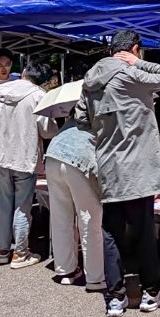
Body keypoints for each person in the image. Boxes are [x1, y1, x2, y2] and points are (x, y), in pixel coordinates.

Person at [76, 30, 160, 317]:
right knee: (144, 231)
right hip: (137, 169)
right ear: (135, 49)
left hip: (108, 166)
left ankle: (115, 297)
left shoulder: (90, 79)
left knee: (111, 233)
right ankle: (150, 293)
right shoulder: (130, 73)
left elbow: (81, 119)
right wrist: (138, 64)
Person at [0, 60, 56, 268]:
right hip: (23, 156)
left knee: (3, 205)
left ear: (24, 72)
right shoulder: (38, 96)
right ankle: (20, 253)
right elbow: (48, 131)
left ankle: (3, 251)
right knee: (22, 207)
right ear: (43, 81)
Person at [44, 117, 104, 290]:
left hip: (53, 155)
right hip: (79, 159)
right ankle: (95, 278)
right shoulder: (103, 114)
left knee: (61, 218)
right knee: (89, 219)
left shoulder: (73, 117)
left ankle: (65, 271)